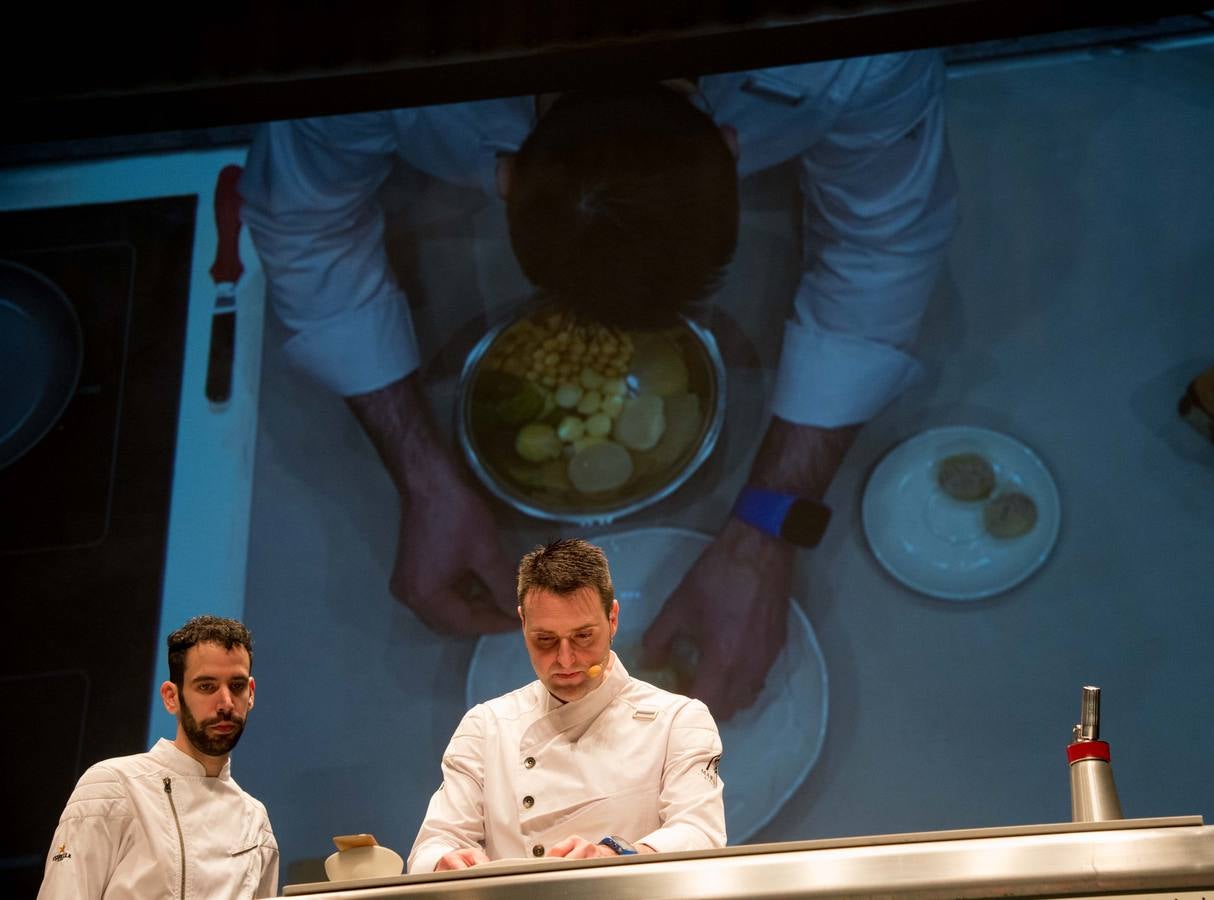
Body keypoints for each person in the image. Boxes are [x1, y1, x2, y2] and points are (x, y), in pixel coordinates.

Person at [240, 50, 958, 719]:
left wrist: (768, 531)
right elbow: (307, 226)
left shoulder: (862, 51)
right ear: (506, 177)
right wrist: (422, 476)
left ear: (732, 147)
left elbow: (883, 248)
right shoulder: (355, 46)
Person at [407, 538, 725, 869]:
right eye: (545, 640)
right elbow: (432, 845)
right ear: (523, 624)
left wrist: (614, 856)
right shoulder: (487, 725)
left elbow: (701, 833)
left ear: (612, 618)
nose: (566, 658)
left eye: (583, 636)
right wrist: (444, 861)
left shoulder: (678, 720)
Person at [37, 615, 279, 899]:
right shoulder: (112, 786)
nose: (225, 703)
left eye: (236, 686)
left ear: (250, 693)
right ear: (171, 697)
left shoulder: (255, 821)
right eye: (206, 686)